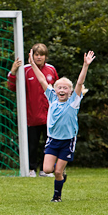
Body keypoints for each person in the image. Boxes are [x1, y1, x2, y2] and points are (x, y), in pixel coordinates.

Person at [29, 48, 95, 202]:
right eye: (59, 87)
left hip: (67, 141)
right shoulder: (51, 97)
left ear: (71, 91)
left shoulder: (73, 102)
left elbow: (80, 82)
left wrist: (85, 65)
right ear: (55, 89)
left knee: (57, 172)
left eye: (66, 88)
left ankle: (56, 197)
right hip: (52, 139)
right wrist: (32, 64)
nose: (62, 90)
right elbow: (42, 80)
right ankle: (61, 175)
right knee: (47, 169)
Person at [7, 43, 59, 178]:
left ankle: (44, 170)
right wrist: (12, 72)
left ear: (46, 57)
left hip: (49, 116)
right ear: (32, 56)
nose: (39, 57)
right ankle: (31, 169)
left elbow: (58, 89)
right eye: (36, 54)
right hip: (31, 116)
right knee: (32, 145)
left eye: (41, 55)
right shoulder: (25, 70)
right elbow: (12, 87)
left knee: (48, 144)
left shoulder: (51, 70)